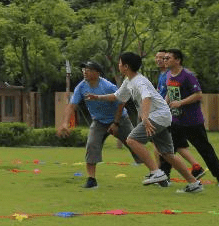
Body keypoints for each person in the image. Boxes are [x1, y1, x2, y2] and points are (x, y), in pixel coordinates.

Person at [86, 52, 202, 193]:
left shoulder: (138, 81)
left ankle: (156, 172)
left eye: (120, 63)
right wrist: (97, 97)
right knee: (167, 154)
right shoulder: (129, 81)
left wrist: (145, 118)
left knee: (132, 140)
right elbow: (117, 96)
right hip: (162, 116)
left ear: (126, 66)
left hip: (157, 116)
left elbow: (146, 97)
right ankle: (194, 183)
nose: (118, 65)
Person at [56, 61, 138, 189]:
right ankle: (91, 179)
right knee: (92, 145)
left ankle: (155, 172)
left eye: (88, 70)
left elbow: (121, 103)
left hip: (120, 119)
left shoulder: (108, 86)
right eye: (84, 70)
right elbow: (72, 105)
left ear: (97, 73)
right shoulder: (81, 87)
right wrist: (65, 123)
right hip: (99, 121)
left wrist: (116, 123)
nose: (85, 72)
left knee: (136, 146)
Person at [157, 49, 219, 182]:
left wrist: (181, 103)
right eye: (164, 58)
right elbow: (169, 91)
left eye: (168, 58)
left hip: (192, 121)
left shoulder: (187, 75)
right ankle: (164, 176)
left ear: (178, 60)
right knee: (168, 149)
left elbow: (198, 95)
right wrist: (164, 105)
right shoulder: (168, 75)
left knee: (204, 150)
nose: (164, 60)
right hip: (176, 120)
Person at [153, 49, 203, 178]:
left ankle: (161, 173)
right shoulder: (165, 74)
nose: (160, 60)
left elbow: (196, 94)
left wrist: (175, 104)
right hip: (171, 114)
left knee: (163, 144)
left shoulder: (177, 74)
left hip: (173, 115)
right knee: (176, 144)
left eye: (164, 57)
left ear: (175, 60)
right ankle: (195, 167)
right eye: (158, 57)